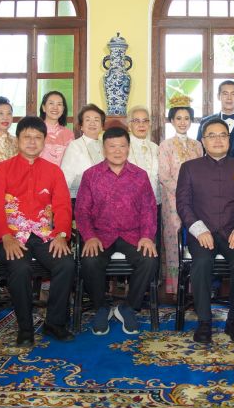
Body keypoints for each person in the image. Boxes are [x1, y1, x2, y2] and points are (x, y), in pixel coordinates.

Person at [0, 116, 75, 347]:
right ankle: (25, 328)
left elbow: (63, 205)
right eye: (27, 137)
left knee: (65, 263)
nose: (32, 142)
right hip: (11, 236)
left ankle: (54, 322)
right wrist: (5, 236)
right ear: (18, 140)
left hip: (45, 234)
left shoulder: (54, 171)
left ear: (44, 141)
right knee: (20, 266)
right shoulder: (2, 169)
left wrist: (62, 234)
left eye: (38, 137)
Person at [177, 118, 234, 344]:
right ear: (203, 140)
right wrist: (199, 230)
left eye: (222, 135)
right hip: (202, 232)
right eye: (211, 135)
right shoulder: (190, 168)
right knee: (201, 263)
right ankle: (204, 322)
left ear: (229, 139)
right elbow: (183, 204)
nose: (218, 139)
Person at [77, 127, 159, 335]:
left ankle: (128, 307)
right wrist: (89, 236)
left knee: (149, 259)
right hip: (101, 234)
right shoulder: (91, 175)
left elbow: (149, 209)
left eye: (122, 146)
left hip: (132, 234)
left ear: (128, 148)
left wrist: (147, 237)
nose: (117, 150)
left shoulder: (140, 176)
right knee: (90, 259)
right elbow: (82, 211)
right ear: (104, 149)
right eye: (112, 146)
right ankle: (101, 307)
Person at [158, 95, 203, 295]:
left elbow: (204, 173)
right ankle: (175, 285)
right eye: (178, 118)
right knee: (173, 238)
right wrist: (182, 192)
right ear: (171, 121)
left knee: (195, 237)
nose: (183, 122)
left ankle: (195, 284)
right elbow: (164, 176)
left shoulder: (198, 145)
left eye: (186, 118)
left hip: (197, 200)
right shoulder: (165, 145)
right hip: (172, 199)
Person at [197, 80, 234, 158]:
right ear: (218, 96)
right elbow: (200, 150)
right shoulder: (205, 122)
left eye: (233, 94)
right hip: (214, 168)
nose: (229, 98)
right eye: (225, 94)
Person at [61, 104, 105, 201]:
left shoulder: (106, 146)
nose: (92, 123)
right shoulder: (75, 146)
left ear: (102, 126)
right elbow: (65, 177)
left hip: (104, 199)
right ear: (81, 126)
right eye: (88, 120)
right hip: (79, 198)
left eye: (97, 120)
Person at [127, 105, 160, 203]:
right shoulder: (123, 147)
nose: (142, 125)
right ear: (129, 126)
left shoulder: (156, 148)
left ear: (149, 124)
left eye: (145, 121)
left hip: (154, 202)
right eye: (136, 121)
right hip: (130, 202)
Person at [39, 90, 75, 167]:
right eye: (51, 103)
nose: (55, 107)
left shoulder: (69, 134)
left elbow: (72, 161)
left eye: (59, 104)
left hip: (62, 177)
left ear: (63, 109)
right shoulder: (35, 131)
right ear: (44, 107)